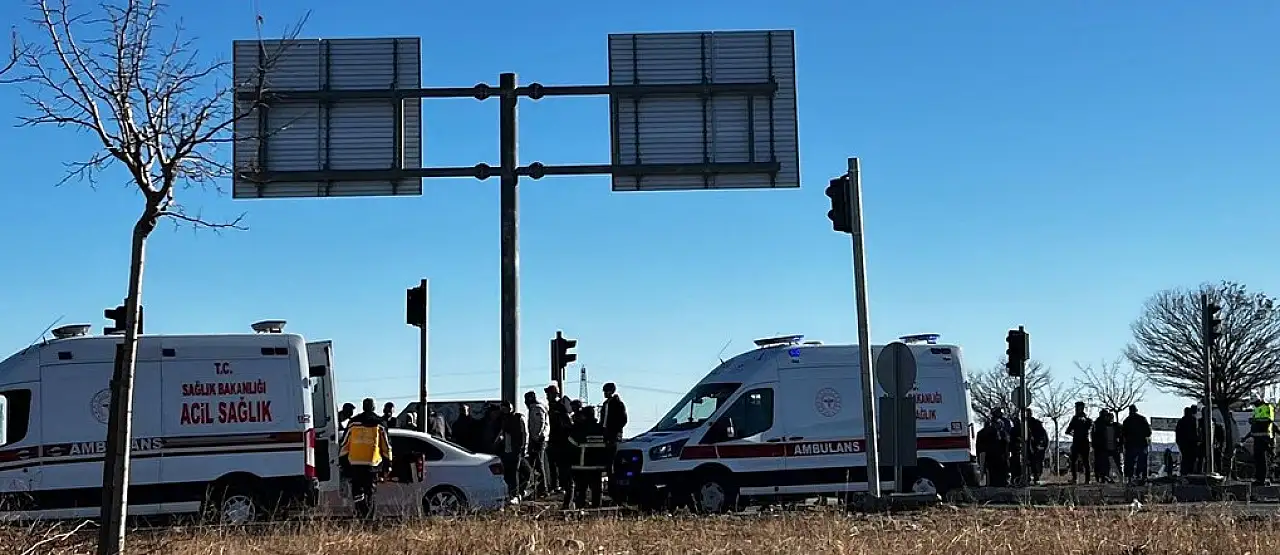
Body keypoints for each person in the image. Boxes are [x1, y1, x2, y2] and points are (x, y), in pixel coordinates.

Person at [339, 398, 393, 520]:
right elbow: (386, 446)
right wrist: (388, 463)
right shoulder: (380, 424)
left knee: (357, 492)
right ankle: (370, 518)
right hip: (372, 464)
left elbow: (344, 444)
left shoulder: (352, 423)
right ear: (374, 408)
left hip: (355, 464)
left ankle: (361, 515)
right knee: (370, 492)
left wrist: (342, 461)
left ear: (363, 407)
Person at [565, 405, 607, 509]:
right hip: (597, 465)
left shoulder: (580, 429)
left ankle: (581, 509)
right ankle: (596, 509)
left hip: (582, 465)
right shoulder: (601, 429)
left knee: (581, 489)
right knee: (596, 489)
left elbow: (571, 441)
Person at [545, 385, 574, 495]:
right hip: (552, 439)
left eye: (549, 394)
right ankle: (554, 485)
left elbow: (567, 423)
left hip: (560, 440)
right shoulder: (550, 406)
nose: (548, 396)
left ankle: (562, 485)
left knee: (561, 465)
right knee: (552, 464)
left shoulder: (560, 406)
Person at [498, 400, 529, 501]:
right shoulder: (504, 419)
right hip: (507, 449)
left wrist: (525, 446)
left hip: (517, 448)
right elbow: (502, 432)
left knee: (516, 471)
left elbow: (525, 433)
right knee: (510, 472)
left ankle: (516, 493)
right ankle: (514, 492)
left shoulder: (519, 418)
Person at [524, 391, 550, 497]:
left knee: (539, 464)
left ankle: (543, 488)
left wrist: (536, 437)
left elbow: (541, 423)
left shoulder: (536, 408)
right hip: (536, 438)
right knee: (534, 464)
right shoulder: (534, 408)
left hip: (538, 440)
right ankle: (536, 487)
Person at [1121, 404, 1152, 483]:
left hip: (1130, 445)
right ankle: (1143, 477)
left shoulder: (1126, 421)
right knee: (1143, 462)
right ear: (1136, 410)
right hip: (1141, 444)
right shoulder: (1142, 419)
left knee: (1129, 462)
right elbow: (1148, 432)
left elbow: (1123, 434)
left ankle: (1129, 479)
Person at [1248, 397, 1275, 485]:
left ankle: (1261, 479)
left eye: (1255, 403)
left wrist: (1255, 421)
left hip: (1264, 437)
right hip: (1257, 437)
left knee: (1262, 460)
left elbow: (1268, 420)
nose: (1254, 405)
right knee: (1258, 460)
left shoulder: (1267, 407)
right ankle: (1259, 479)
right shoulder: (1257, 409)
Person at [1065, 402, 1092, 484]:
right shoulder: (1077, 419)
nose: (1076, 409)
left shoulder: (1085, 419)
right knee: (1075, 461)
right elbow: (1068, 431)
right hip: (1079, 442)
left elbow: (1068, 431)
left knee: (1084, 461)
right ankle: (1077, 479)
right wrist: (1074, 434)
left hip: (1082, 442)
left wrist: (1075, 434)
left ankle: (1086, 479)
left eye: (1078, 408)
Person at [1091, 410, 1120, 483]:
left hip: (1103, 447)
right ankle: (1103, 477)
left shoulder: (1098, 424)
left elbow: (1093, 435)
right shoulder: (1100, 424)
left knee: (1103, 464)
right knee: (1104, 464)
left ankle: (1103, 478)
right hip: (1103, 447)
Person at [1175, 405, 1201, 475]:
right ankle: (1190, 472)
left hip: (1183, 443)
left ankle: (1184, 473)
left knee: (1184, 459)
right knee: (1192, 459)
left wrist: (1178, 442)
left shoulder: (1181, 421)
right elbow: (1196, 431)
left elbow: (1177, 433)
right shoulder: (1194, 420)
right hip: (1192, 443)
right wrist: (1198, 440)